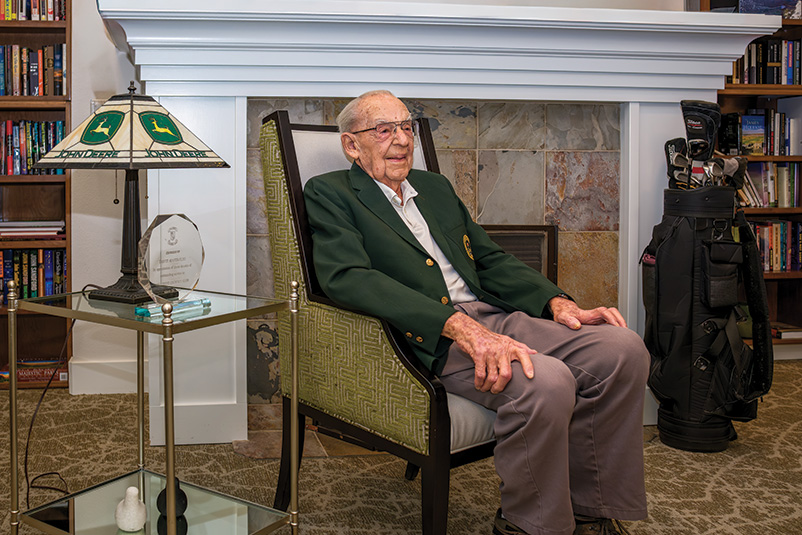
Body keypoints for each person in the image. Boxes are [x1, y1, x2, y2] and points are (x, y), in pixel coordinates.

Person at [303, 90, 649, 535]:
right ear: (353, 145)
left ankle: (590, 509)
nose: (402, 140)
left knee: (623, 349)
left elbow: (489, 259)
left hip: (493, 314)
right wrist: (453, 324)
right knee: (545, 380)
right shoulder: (331, 193)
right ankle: (528, 524)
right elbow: (347, 277)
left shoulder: (434, 188)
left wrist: (557, 302)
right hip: (428, 334)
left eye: (406, 127)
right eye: (384, 130)